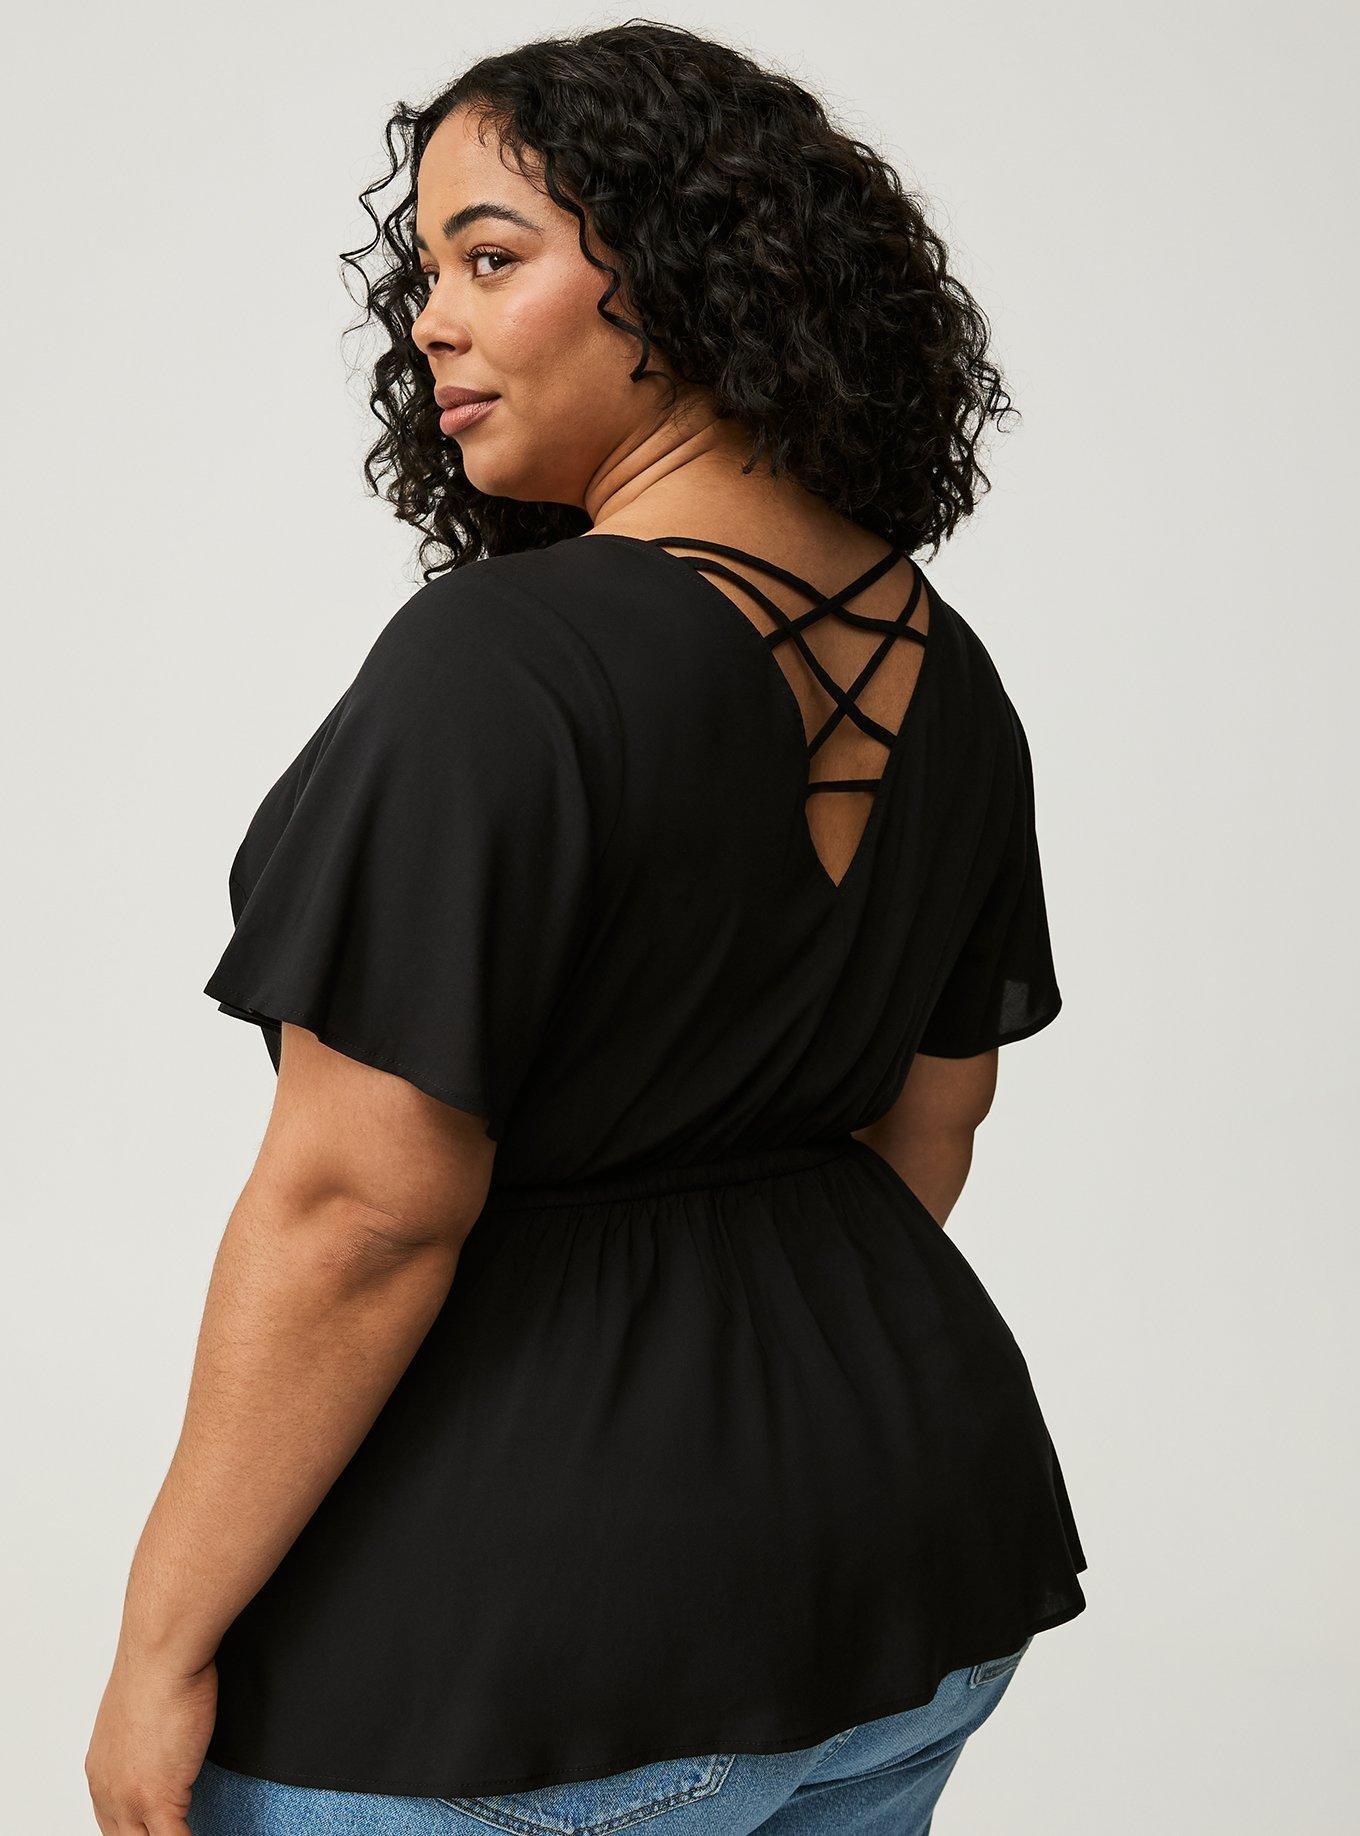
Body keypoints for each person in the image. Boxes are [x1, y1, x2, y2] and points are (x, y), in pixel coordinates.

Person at [85, 22, 1088, 1836]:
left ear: (697, 271)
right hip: (911, 1577)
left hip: (522, 1660)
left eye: (492, 257)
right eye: (423, 275)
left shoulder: (502, 663)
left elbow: (359, 1211)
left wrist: (158, 1645)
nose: (430, 324)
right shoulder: (950, 671)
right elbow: (932, 1126)